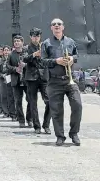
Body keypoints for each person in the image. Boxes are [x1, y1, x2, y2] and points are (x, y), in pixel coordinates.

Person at [38, 18, 82, 146]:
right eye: (54, 24)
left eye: (59, 24)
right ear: (51, 28)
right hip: (54, 81)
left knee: (77, 105)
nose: (56, 25)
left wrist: (72, 59)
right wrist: (56, 61)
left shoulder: (70, 42)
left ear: (63, 27)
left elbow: (76, 56)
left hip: (69, 79)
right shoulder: (46, 43)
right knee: (56, 110)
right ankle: (60, 136)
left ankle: (74, 133)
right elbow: (42, 61)